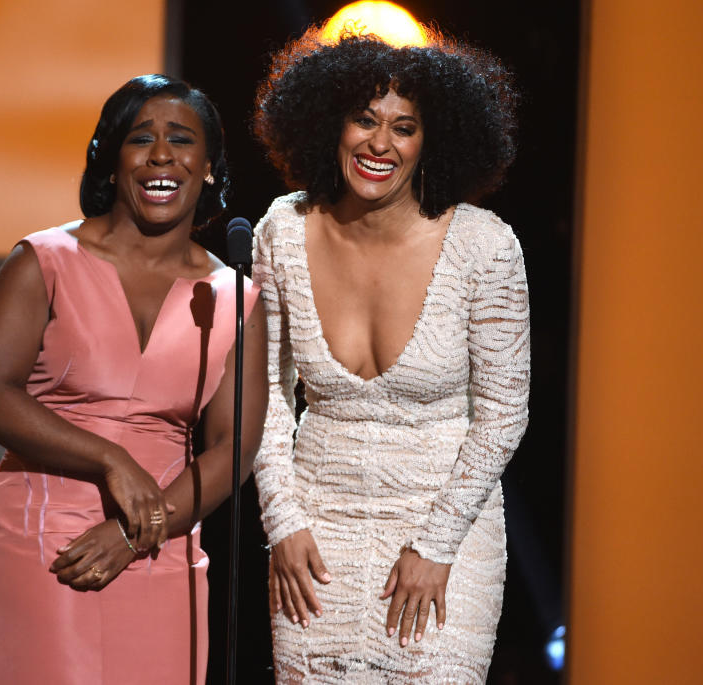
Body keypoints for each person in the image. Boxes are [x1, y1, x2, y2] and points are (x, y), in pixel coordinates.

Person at [0, 74, 267, 684]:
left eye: (181, 140)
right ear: (110, 160)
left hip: (164, 543)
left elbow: (234, 449)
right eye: (140, 139)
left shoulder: (235, 296)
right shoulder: (45, 260)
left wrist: (134, 535)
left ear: (208, 167)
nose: (161, 155)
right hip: (47, 543)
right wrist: (113, 461)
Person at [250, 30, 529, 683]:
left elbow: (503, 414)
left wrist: (434, 545)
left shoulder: (484, 247)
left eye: (404, 127)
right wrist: (282, 522)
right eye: (363, 120)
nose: (380, 143)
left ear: (433, 141)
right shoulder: (281, 231)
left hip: (446, 537)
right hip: (314, 542)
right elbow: (261, 390)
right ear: (329, 125)